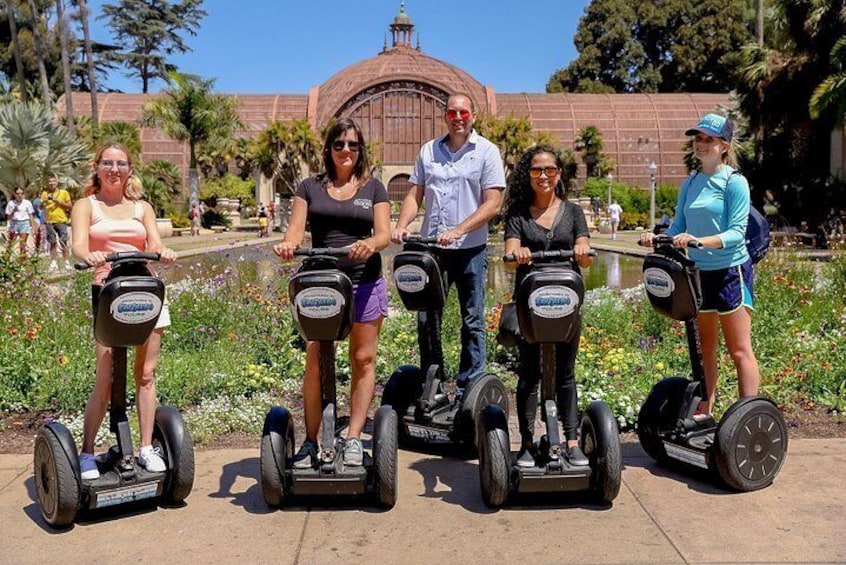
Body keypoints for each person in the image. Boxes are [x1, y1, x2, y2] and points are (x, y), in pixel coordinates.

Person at [273, 117, 390, 468]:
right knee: (316, 358)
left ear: (360, 150)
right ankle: (311, 441)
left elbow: (384, 233)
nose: (346, 151)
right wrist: (289, 245)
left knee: (363, 359)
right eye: (339, 144)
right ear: (328, 150)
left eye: (353, 145)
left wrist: (369, 243)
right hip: (321, 285)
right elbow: (295, 230)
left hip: (364, 281)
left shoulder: (374, 188)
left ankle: (353, 437)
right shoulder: (310, 187)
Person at [640, 113, 759, 417]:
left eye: (709, 139)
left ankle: (749, 415)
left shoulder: (735, 183)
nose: (701, 144)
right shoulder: (691, 183)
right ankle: (706, 408)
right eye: (698, 138)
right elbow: (677, 224)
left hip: (731, 271)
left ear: (724, 145)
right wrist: (656, 238)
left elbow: (736, 233)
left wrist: (698, 241)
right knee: (706, 349)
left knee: (739, 350)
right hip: (698, 274)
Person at [70, 143, 177, 480]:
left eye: (120, 164)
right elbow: (77, 245)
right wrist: (89, 256)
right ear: (97, 168)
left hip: (146, 290)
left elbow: (153, 243)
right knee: (106, 378)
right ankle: (87, 452)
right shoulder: (86, 206)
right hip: (109, 292)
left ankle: (145, 447)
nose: (114, 169)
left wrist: (162, 251)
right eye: (107, 163)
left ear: (130, 169)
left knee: (146, 374)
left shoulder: (141, 207)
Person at [391, 93, 505, 397]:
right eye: (452, 112)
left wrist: (459, 230)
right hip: (433, 251)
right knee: (428, 318)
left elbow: (493, 204)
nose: (458, 117)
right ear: (445, 116)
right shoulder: (429, 150)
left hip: (470, 249)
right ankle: (435, 383)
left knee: (473, 319)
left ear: (473, 117)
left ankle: (470, 386)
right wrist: (402, 225)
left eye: (464, 113)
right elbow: (415, 195)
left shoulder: (486, 152)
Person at [503, 146, 593, 467]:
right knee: (529, 374)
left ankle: (571, 440)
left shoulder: (573, 212)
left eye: (550, 170)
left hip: (566, 305)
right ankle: (527, 442)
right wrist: (519, 254)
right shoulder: (518, 215)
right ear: (528, 175)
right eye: (537, 170)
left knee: (566, 374)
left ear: (559, 174)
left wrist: (582, 248)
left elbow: (583, 243)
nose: (544, 176)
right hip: (531, 307)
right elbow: (511, 255)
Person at [41, 175, 74, 270]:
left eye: (53, 181)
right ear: (47, 183)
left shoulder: (64, 193)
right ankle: (53, 262)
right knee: (52, 242)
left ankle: (67, 262)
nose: (51, 183)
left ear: (57, 182)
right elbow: (40, 207)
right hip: (49, 221)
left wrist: (58, 201)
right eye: (50, 181)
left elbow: (70, 206)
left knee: (63, 242)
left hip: (61, 220)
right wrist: (44, 203)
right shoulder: (45, 193)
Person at [4, 188, 37, 254]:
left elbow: (31, 215)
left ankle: (22, 262)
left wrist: (33, 227)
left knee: (22, 244)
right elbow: (8, 217)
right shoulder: (11, 203)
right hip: (14, 223)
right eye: (18, 193)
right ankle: (5, 262)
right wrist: (13, 211)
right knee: (10, 244)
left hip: (24, 223)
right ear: (15, 194)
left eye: (22, 193)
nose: (20, 195)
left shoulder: (27, 203)